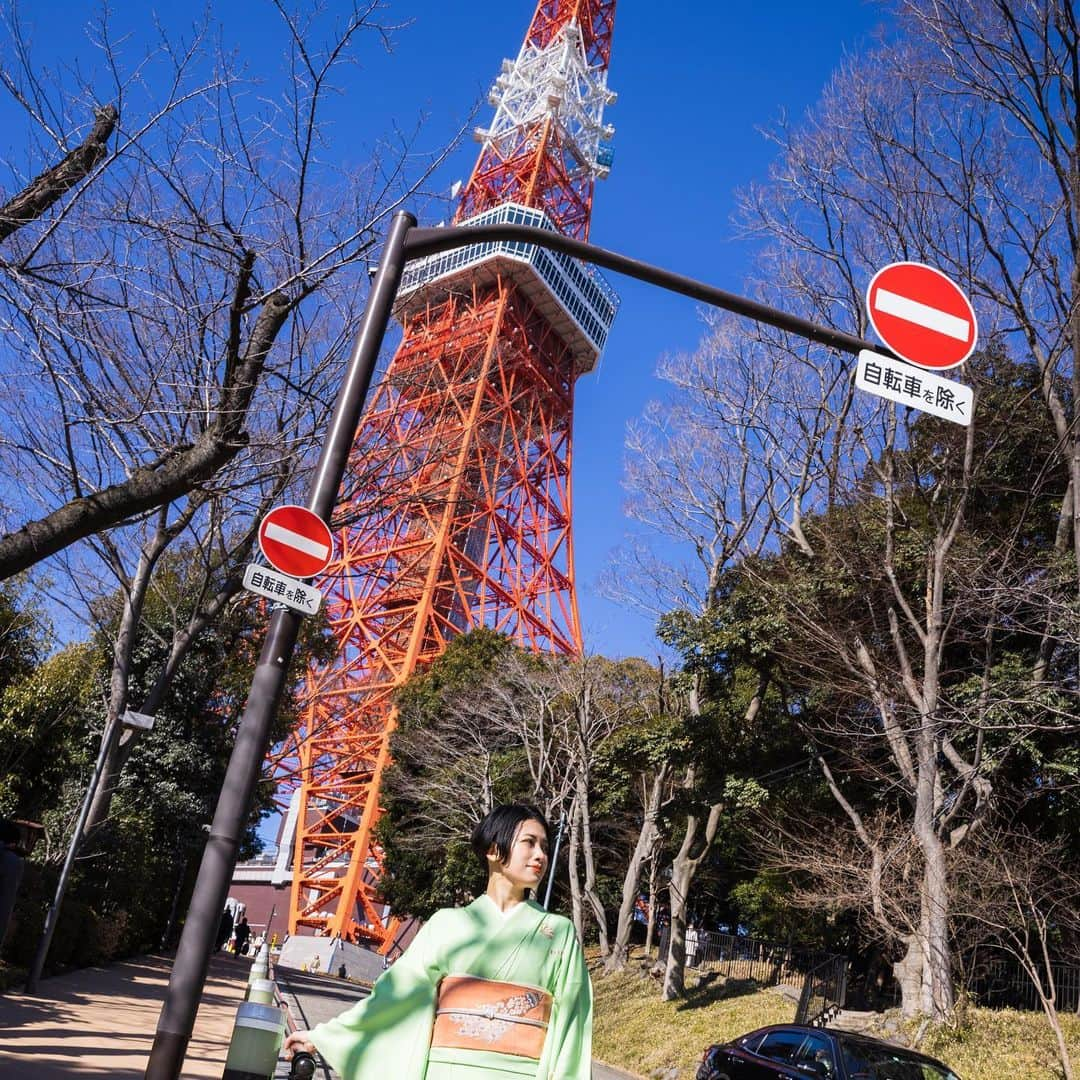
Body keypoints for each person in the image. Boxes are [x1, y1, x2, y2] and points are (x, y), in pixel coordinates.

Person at [284, 804, 592, 1079]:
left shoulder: (559, 931)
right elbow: (394, 997)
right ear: (494, 850)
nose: (541, 855)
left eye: (544, 846)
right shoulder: (446, 924)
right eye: (529, 843)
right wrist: (323, 1037)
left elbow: (572, 1026)